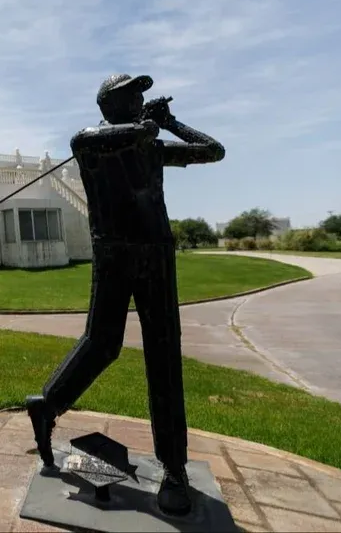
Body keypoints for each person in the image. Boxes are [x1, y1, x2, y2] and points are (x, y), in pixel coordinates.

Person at [25, 73, 225, 516]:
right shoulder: (90, 142)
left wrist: (172, 123)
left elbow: (213, 150)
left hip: (156, 255)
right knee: (102, 344)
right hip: (114, 254)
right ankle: (48, 404)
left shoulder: (149, 144)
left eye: (141, 94)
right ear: (110, 104)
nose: (140, 99)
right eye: (132, 94)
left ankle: (174, 468)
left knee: (163, 355)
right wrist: (149, 126)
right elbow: (112, 135)